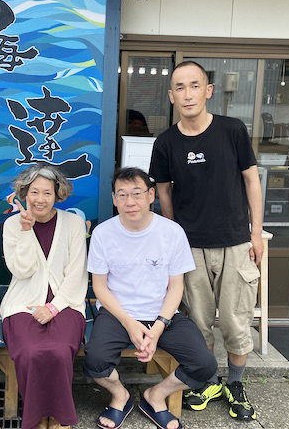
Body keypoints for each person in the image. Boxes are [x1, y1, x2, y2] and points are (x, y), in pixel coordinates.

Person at [149, 61, 264, 421]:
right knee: (198, 320)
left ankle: (237, 385)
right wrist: (172, 233)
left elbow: (251, 181)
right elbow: (163, 191)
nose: (187, 94)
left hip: (235, 242)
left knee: (235, 320)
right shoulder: (166, 142)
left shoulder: (232, 130)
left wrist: (256, 232)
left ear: (208, 90)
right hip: (190, 246)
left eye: (194, 86)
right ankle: (207, 379)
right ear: (171, 96)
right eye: (179, 88)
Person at [84, 167, 217, 429]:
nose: (130, 202)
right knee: (95, 361)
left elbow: (176, 287)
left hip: (163, 313)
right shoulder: (103, 232)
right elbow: (99, 287)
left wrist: (157, 328)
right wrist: (130, 323)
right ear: (114, 199)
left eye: (137, 193)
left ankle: (155, 395)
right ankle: (120, 396)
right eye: (122, 195)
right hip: (117, 313)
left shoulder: (172, 232)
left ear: (151, 195)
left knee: (205, 365)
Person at [0, 164, 88, 429]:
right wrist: (26, 232)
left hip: (66, 303)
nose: (40, 199)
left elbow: (76, 273)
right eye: (34, 192)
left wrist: (54, 307)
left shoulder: (73, 223)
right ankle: (37, 417)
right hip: (22, 302)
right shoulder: (13, 225)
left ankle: (59, 418)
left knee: (60, 351)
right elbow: (20, 269)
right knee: (30, 351)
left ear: (57, 194)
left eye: (47, 193)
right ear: (24, 193)